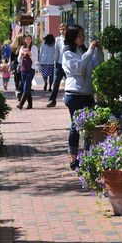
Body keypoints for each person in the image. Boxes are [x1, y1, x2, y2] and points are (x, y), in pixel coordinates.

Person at [62, 25, 104, 170]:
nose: (83, 38)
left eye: (83, 35)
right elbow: (79, 69)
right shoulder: (68, 54)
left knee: (90, 126)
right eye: (79, 35)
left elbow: (98, 65)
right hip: (74, 95)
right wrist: (90, 51)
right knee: (76, 126)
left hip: (87, 93)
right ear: (72, 37)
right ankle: (74, 159)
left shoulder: (85, 51)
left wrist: (98, 51)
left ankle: (87, 156)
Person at [46, 23, 67, 107]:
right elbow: (56, 51)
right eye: (61, 29)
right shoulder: (58, 39)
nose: (62, 31)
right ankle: (52, 100)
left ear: (67, 30)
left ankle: (69, 99)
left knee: (70, 82)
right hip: (59, 63)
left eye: (64, 29)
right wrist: (55, 62)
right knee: (56, 83)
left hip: (68, 64)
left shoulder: (70, 39)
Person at [17, 45, 34, 109]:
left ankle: (21, 104)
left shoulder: (33, 48)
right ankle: (30, 104)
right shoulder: (21, 47)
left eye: (29, 39)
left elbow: (35, 59)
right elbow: (18, 60)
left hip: (31, 70)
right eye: (26, 39)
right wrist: (21, 55)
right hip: (23, 71)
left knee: (26, 87)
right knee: (27, 87)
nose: (28, 40)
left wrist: (29, 54)